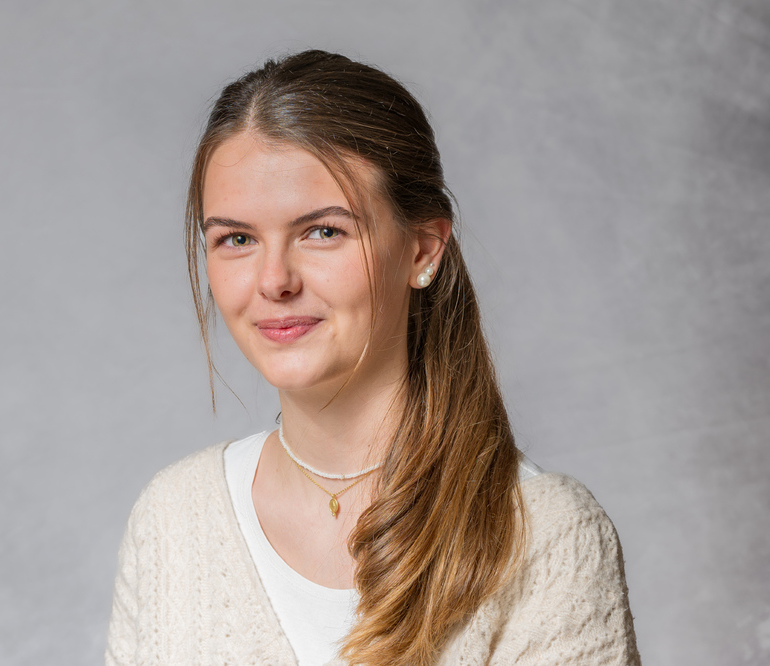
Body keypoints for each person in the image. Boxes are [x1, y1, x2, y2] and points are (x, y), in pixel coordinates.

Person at [105, 50, 640, 665]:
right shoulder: (172, 518)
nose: (274, 280)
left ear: (422, 250)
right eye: (237, 239)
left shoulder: (547, 535)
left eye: (323, 231)